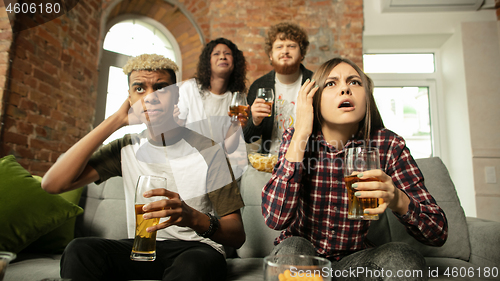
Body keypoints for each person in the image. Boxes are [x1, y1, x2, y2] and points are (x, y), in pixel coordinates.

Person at [41, 54, 245, 281]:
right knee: (80, 250)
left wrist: (192, 218)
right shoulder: (125, 147)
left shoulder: (210, 150)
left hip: (195, 249)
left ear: (176, 97)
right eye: (139, 88)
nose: (150, 97)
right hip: (142, 250)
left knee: (193, 266)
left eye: (160, 88)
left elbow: (236, 235)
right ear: (129, 98)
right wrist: (117, 120)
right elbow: (52, 184)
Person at [261, 57, 448, 280]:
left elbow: (438, 232)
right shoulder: (296, 139)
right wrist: (301, 131)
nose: (345, 89)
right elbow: (275, 219)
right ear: (315, 98)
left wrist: (397, 198)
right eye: (331, 83)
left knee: (404, 257)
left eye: (354, 82)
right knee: (292, 250)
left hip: (355, 261)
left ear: (367, 98)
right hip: (304, 256)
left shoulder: (388, 145)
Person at [176, 38, 248, 178]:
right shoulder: (190, 89)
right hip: (188, 166)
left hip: (218, 169)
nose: (222, 56)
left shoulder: (236, 99)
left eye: (227, 53)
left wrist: (236, 126)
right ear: (207, 61)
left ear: (235, 62)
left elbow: (229, 148)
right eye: (216, 54)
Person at [244, 22, 313, 154]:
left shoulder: (315, 83)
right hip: (269, 164)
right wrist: (255, 121)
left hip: (307, 161)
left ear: (302, 53)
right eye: (279, 46)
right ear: (270, 55)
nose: (285, 51)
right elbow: (247, 137)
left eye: (291, 46)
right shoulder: (259, 86)